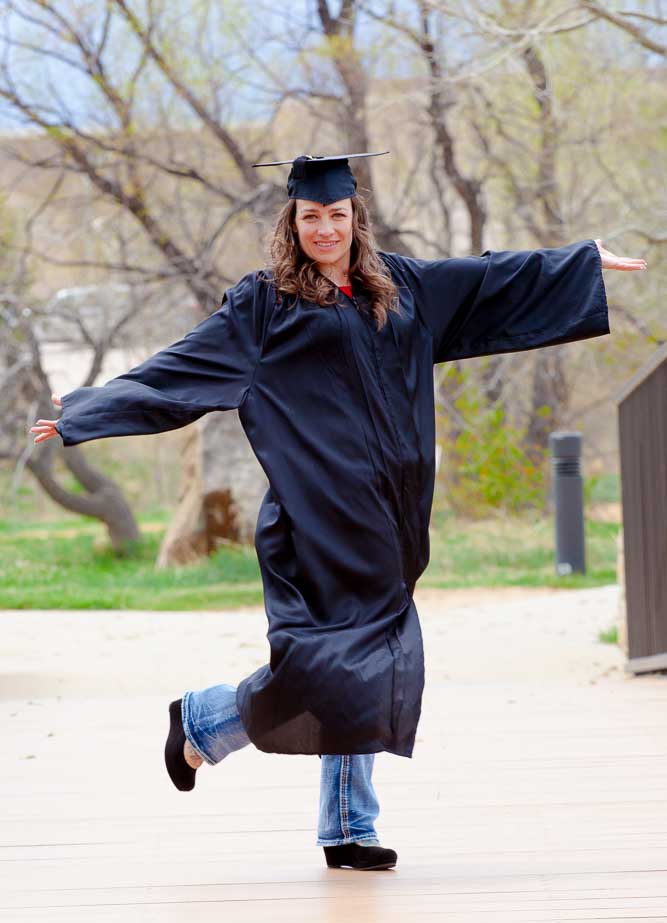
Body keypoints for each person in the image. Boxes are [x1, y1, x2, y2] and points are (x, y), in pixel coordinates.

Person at [30, 151, 647, 872]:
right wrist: (91, 410)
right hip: (314, 521)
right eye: (311, 216)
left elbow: (487, 279)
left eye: (337, 215)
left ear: (357, 220)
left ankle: (343, 825)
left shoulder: (403, 290)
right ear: (292, 222)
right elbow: (183, 367)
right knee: (332, 666)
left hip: (390, 519)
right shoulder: (264, 306)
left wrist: (578, 262)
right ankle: (209, 723)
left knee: (367, 666)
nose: (325, 228)